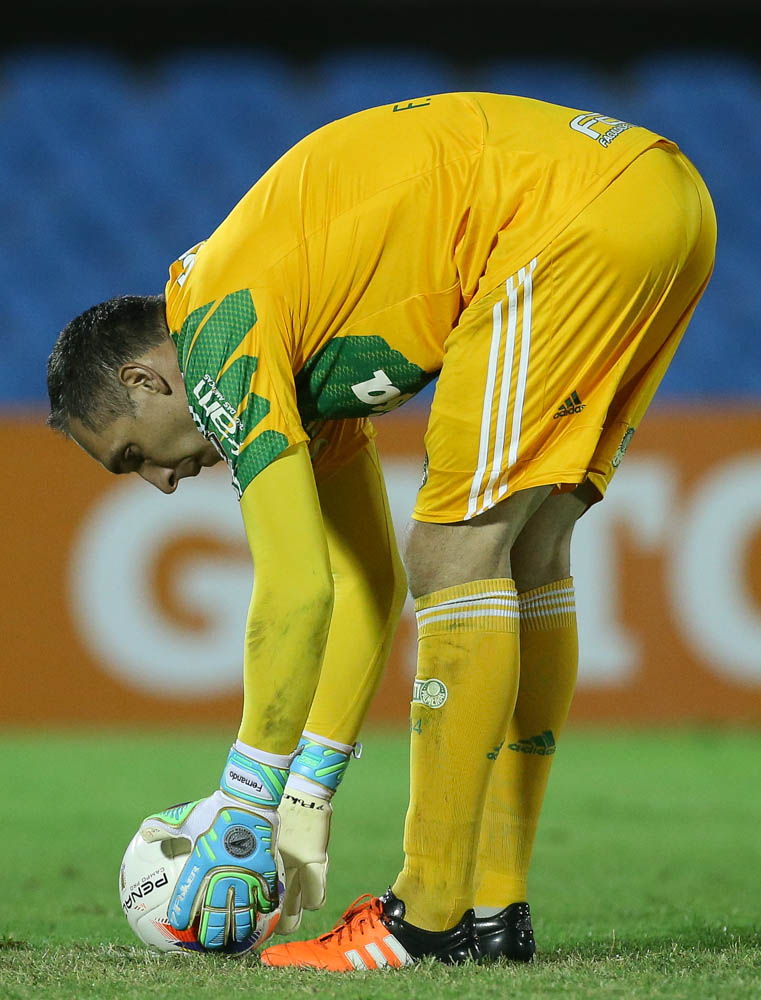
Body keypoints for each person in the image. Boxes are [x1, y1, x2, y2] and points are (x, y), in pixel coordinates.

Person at [46, 92, 716, 970]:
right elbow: (364, 582)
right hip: (664, 201)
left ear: (145, 379)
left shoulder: (218, 336)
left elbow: (294, 589)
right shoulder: (284, 325)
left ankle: (423, 919)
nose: (162, 484)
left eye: (134, 453)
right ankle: (491, 912)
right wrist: (308, 794)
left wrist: (246, 798)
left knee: (455, 549)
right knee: (527, 549)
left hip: (564, 215)